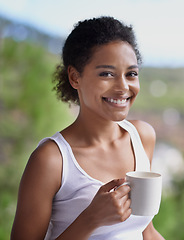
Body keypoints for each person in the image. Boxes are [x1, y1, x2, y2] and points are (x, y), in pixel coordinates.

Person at [11, 16, 165, 240]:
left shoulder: (142, 136)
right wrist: (91, 218)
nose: (123, 87)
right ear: (75, 77)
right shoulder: (51, 160)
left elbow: (146, 231)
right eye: (107, 74)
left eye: (131, 74)